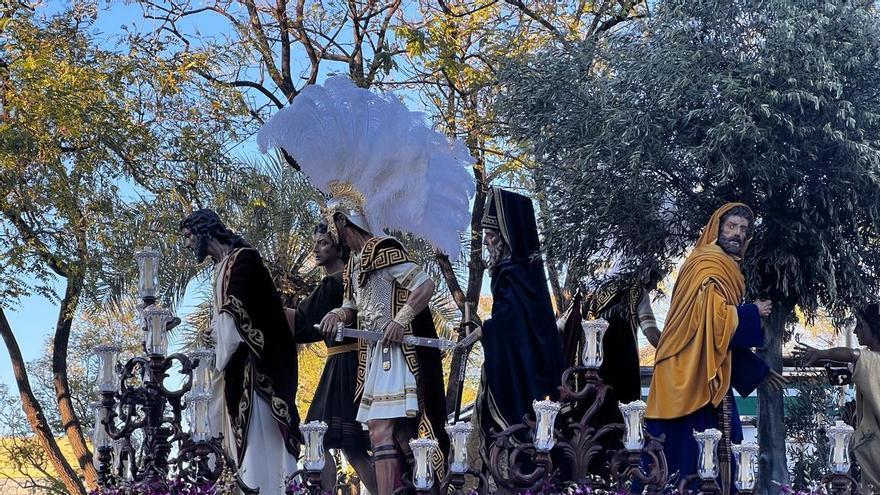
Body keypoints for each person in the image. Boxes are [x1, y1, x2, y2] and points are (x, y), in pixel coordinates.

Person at [645, 203, 787, 494]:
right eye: (732, 226)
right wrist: (751, 312)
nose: (737, 233)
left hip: (706, 369)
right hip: (684, 371)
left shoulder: (726, 267)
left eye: (743, 230)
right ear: (717, 228)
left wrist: (757, 370)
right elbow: (711, 318)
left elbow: (713, 337)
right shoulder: (706, 263)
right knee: (682, 448)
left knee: (716, 444)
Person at [317, 203, 449, 495]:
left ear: (342, 221)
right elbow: (351, 306)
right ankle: (422, 488)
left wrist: (401, 320)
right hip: (375, 356)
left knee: (379, 429)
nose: (329, 232)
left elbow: (424, 285)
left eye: (330, 225)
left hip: (396, 355)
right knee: (402, 434)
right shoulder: (352, 263)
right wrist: (337, 315)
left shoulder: (383, 250)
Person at [180, 209, 300, 494]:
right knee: (231, 441)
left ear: (205, 231)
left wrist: (220, 333)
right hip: (236, 367)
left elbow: (236, 310)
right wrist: (214, 332)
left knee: (260, 441)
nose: (186, 245)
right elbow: (226, 317)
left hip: (257, 370)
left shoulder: (245, 258)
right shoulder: (220, 267)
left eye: (187, 237)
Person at [458, 187, 564, 455]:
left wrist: (486, 330)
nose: (487, 244)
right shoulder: (512, 275)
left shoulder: (515, 273)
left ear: (507, 237)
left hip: (526, 371)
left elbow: (513, 320)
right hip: (512, 363)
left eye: (491, 236)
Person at [286, 223, 377, 494]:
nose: (316, 248)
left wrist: (262, 308)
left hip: (342, 366)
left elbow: (302, 322)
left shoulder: (334, 282)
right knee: (352, 446)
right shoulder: (351, 281)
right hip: (353, 363)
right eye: (315, 242)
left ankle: (323, 492)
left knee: (319, 437)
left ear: (339, 247)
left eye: (323, 242)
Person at [794, 303, 880, 493]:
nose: (856, 331)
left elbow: (851, 355)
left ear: (874, 327)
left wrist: (820, 353)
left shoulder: (872, 360)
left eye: (861, 325)